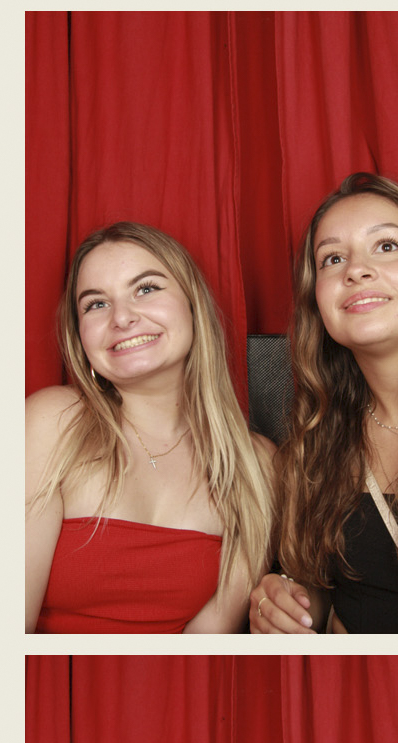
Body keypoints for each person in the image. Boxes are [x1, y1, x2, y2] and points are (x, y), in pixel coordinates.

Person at [26, 221, 274, 633]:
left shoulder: (257, 466)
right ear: (80, 337)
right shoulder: (53, 422)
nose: (122, 318)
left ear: (192, 305)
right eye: (96, 304)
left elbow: (203, 648)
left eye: (146, 288)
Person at [249, 174, 398, 636]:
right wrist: (288, 601)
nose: (356, 270)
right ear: (316, 301)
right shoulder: (312, 445)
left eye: (386, 246)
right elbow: (328, 590)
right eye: (333, 258)